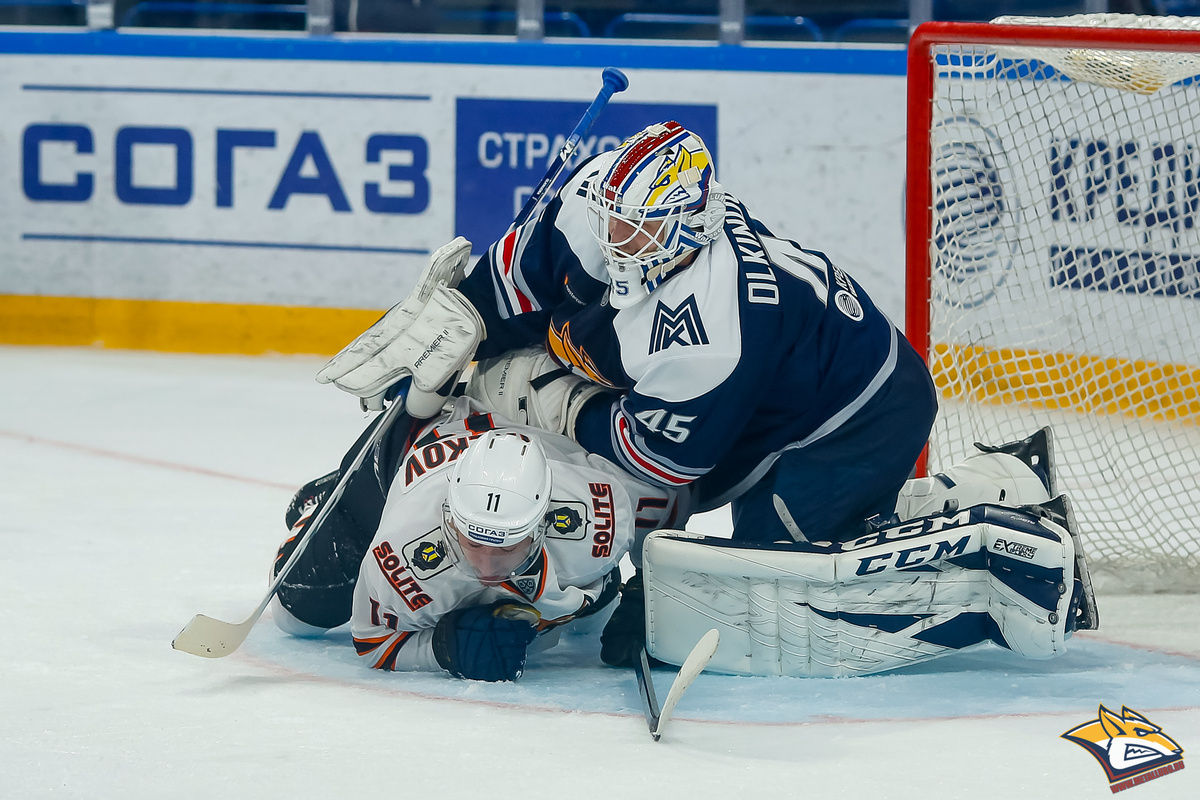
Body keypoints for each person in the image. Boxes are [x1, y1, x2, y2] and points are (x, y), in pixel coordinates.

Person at [315, 120, 939, 668]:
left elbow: (664, 465)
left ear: (690, 227)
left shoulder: (711, 329)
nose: (616, 240)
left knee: (774, 592)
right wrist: (461, 324)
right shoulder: (594, 209)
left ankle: (966, 517)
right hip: (768, 398)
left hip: (852, 419)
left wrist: (561, 403)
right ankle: (353, 491)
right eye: (614, 219)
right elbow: (518, 282)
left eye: (637, 232)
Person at [270, 393, 680, 681]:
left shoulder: (599, 516)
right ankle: (329, 497)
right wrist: (443, 650)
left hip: (530, 421)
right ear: (449, 520)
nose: (485, 567)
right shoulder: (402, 549)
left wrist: (654, 590)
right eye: (473, 543)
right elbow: (373, 640)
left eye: (505, 545)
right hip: (403, 454)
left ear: (541, 526)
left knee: (590, 625)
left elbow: (674, 489)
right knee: (297, 614)